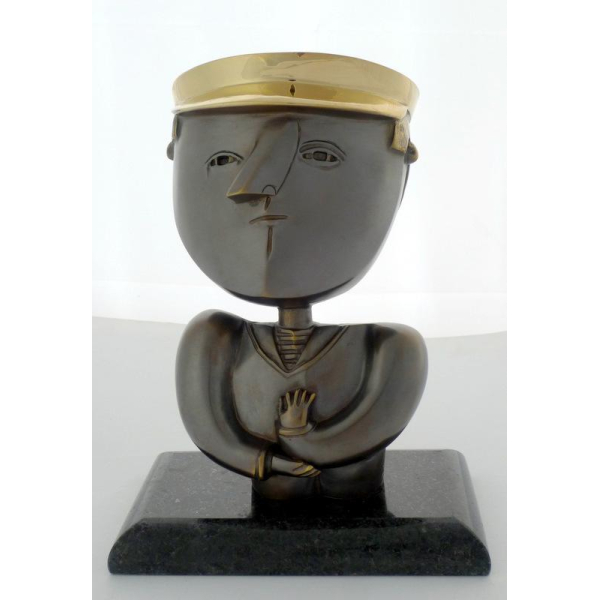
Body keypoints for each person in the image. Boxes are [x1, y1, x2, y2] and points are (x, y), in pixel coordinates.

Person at [169, 53, 427, 500]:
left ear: (400, 177)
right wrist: (281, 456)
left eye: (319, 155)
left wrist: (298, 440)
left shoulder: (392, 350)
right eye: (224, 158)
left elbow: (361, 433)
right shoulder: (212, 340)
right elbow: (211, 432)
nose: (251, 187)